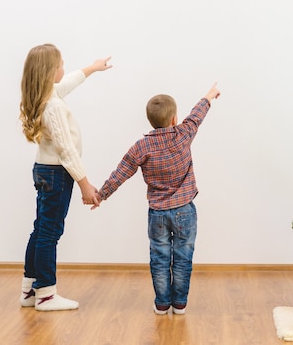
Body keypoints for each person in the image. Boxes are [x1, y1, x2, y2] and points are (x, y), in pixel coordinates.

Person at [92, 83, 220, 315]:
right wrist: (209, 96)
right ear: (174, 119)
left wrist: (101, 194)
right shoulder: (183, 134)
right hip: (184, 210)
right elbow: (196, 116)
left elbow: (120, 173)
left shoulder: (142, 147)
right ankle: (179, 303)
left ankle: (162, 303)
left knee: (159, 258)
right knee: (183, 257)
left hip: (158, 213)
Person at [18, 43, 112, 311]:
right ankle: (46, 295)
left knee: (41, 230)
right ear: (49, 71)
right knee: (49, 233)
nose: (64, 67)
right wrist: (85, 184)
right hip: (57, 173)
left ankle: (30, 291)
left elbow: (68, 82)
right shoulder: (52, 106)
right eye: (60, 64)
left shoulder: (44, 96)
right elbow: (66, 151)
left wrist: (92, 68)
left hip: (44, 170)